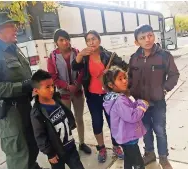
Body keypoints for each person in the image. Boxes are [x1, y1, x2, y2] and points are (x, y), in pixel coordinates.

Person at [0, 12, 44, 169]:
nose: (16, 29)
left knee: (31, 143)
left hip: (25, 106)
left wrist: (32, 86)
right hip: (10, 112)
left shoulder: (13, 48)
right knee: (18, 152)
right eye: (11, 25)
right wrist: (21, 86)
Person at [72, 30, 128, 163]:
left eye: (93, 39)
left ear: (99, 40)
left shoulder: (109, 56)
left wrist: (113, 74)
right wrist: (80, 54)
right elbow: (74, 67)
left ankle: (116, 146)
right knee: (97, 122)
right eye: (88, 40)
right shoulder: (85, 57)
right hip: (92, 96)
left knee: (113, 122)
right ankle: (101, 148)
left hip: (109, 95)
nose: (91, 42)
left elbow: (125, 67)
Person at [128, 24, 180, 169]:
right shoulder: (134, 58)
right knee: (145, 130)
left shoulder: (164, 56)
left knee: (160, 130)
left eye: (150, 35)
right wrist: (131, 91)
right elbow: (129, 77)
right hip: (140, 104)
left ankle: (163, 157)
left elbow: (174, 75)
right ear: (137, 42)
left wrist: (164, 89)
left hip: (158, 102)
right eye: (142, 38)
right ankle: (149, 153)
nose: (147, 40)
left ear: (154, 36)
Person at [47, 29, 91, 154]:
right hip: (64, 94)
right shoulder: (53, 57)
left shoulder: (76, 52)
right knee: (65, 120)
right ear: (56, 42)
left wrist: (76, 84)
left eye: (67, 39)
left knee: (79, 118)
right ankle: (69, 145)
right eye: (61, 40)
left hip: (77, 92)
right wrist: (66, 86)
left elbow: (82, 70)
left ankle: (82, 143)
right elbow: (53, 77)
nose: (65, 42)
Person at [30, 69, 85, 169]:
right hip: (56, 153)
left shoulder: (56, 99)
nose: (52, 89)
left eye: (52, 86)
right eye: (47, 87)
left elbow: (66, 112)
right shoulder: (37, 113)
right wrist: (50, 153)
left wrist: (71, 122)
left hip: (71, 147)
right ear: (36, 90)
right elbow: (40, 136)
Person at [103, 66, 149, 169]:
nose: (124, 81)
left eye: (125, 77)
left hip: (125, 136)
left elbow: (130, 108)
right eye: (120, 79)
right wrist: (142, 106)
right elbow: (132, 116)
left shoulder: (117, 97)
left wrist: (138, 103)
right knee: (138, 163)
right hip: (128, 137)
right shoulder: (119, 100)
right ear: (111, 84)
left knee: (128, 159)